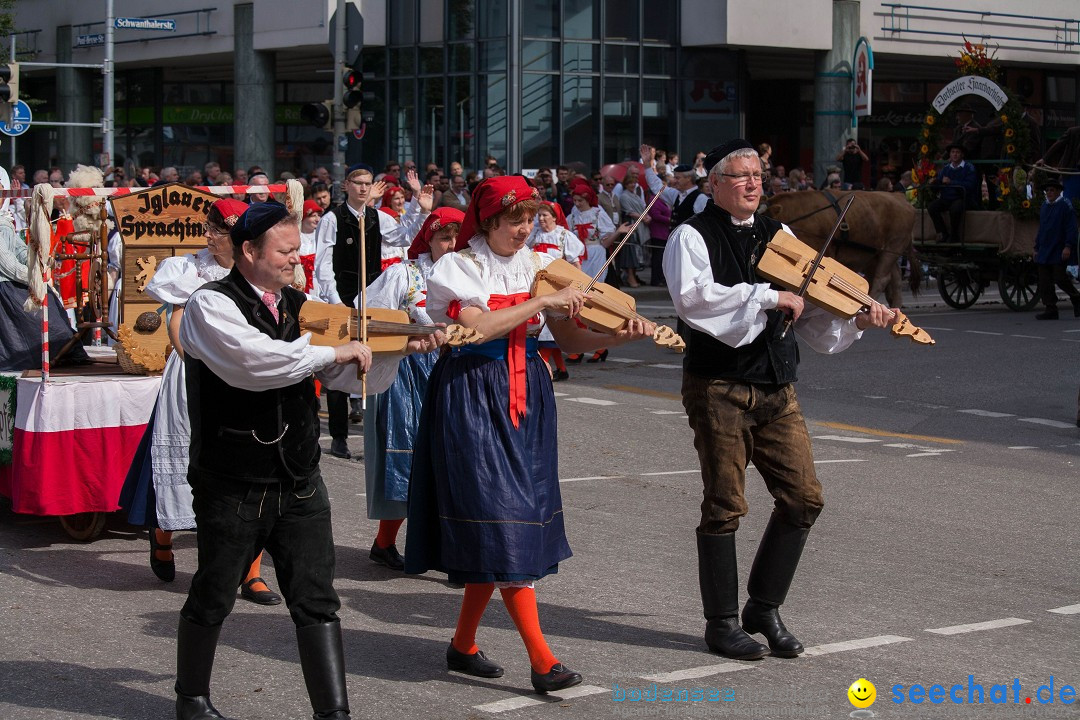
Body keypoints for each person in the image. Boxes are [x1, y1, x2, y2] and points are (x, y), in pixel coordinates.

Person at [173, 200, 441, 720]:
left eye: (298, 249)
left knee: (317, 597)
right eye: (286, 250)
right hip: (233, 479)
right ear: (248, 251)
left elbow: (341, 376)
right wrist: (333, 353)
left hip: (298, 476)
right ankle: (192, 699)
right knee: (213, 592)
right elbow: (257, 363)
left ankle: (333, 713)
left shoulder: (301, 304)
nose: (297, 260)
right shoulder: (211, 304)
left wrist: (397, 346)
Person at [404, 176, 653, 694]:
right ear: (490, 221)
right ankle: (544, 663)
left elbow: (569, 338)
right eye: (515, 219)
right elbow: (481, 327)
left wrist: (615, 335)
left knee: (506, 520)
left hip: (528, 393)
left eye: (531, 218)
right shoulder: (458, 266)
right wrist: (546, 301)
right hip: (473, 394)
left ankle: (463, 645)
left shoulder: (540, 265)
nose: (526, 228)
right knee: (504, 516)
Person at [662, 138, 896, 662]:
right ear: (715, 184)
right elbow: (694, 302)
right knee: (725, 506)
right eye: (741, 176)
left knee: (804, 498)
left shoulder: (780, 235)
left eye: (758, 176)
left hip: (776, 384)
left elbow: (809, 312)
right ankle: (720, 622)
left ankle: (762, 608)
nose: (752, 184)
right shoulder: (691, 236)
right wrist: (767, 296)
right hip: (718, 385)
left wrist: (854, 317)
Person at [118, 198, 282, 605]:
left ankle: (253, 572)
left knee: (252, 466)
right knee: (187, 460)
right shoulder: (187, 270)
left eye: (216, 230)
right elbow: (176, 322)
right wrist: (203, 362)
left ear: (240, 239)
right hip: (195, 374)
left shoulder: (256, 273)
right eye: (207, 228)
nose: (207, 235)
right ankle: (163, 536)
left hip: (243, 374)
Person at [361, 207, 465, 571]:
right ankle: (385, 542)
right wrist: (405, 333)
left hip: (458, 369)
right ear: (429, 239)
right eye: (444, 238)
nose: (451, 245)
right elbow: (368, 314)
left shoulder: (473, 276)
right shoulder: (405, 274)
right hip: (410, 369)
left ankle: (449, 547)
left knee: (455, 460)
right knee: (408, 457)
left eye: (456, 237)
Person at [313, 164, 407, 459]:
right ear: (347, 185)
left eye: (368, 183)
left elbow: (403, 238)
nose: (364, 188)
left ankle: (375, 434)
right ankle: (339, 435)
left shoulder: (377, 217)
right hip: (342, 296)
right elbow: (323, 263)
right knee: (341, 364)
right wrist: (336, 299)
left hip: (372, 297)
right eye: (359, 183)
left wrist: (415, 205)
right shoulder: (332, 218)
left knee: (376, 361)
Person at [528, 202, 585, 380]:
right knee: (543, 329)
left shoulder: (564, 235)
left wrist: (578, 284)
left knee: (552, 330)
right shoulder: (534, 234)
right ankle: (561, 369)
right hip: (538, 285)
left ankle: (543, 369)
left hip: (558, 286)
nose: (541, 218)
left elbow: (575, 263)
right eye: (540, 215)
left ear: (555, 217)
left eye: (545, 215)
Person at [1033, 178, 1080, 320]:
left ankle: (1076, 298)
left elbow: (1071, 228)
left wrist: (1068, 246)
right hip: (1045, 249)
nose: (1049, 193)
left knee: (1060, 278)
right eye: (1047, 190)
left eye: (1052, 190)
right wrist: (1036, 247)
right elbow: (1042, 229)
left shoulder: (1065, 205)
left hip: (1059, 248)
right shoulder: (1044, 206)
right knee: (1044, 280)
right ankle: (1050, 308)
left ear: (1059, 191)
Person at [928, 144, 979, 243]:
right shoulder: (946, 168)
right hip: (946, 198)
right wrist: (934, 183)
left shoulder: (969, 167)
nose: (955, 154)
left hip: (963, 198)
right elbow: (940, 183)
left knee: (955, 208)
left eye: (957, 152)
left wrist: (951, 182)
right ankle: (943, 233)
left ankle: (954, 235)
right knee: (932, 207)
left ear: (962, 155)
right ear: (950, 155)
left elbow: (970, 186)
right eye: (952, 152)